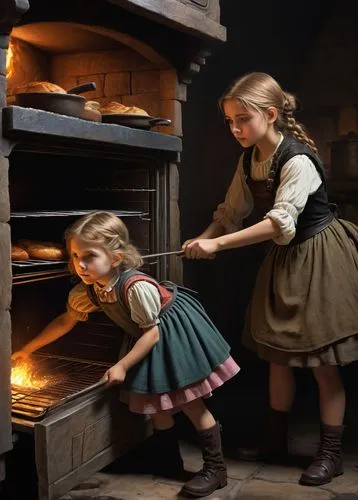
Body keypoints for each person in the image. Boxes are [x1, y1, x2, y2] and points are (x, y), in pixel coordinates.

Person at [182, 72, 358, 487]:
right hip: (284, 260)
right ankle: (274, 439)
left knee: (322, 362)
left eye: (242, 119)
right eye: (229, 121)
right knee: (277, 354)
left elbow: (280, 223)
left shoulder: (296, 159)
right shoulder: (248, 159)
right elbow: (230, 212)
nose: (235, 129)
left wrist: (219, 247)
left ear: (271, 114)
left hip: (319, 256)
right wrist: (203, 239)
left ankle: (331, 454)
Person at [12, 211, 240, 498]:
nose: (80, 264)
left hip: (170, 335)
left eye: (89, 256)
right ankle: (168, 461)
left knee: (190, 402)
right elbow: (65, 321)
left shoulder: (136, 287)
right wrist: (28, 348)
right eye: (74, 255)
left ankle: (216, 469)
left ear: (116, 258)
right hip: (145, 337)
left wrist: (121, 365)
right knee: (156, 403)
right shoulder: (90, 290)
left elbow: (152, 333)